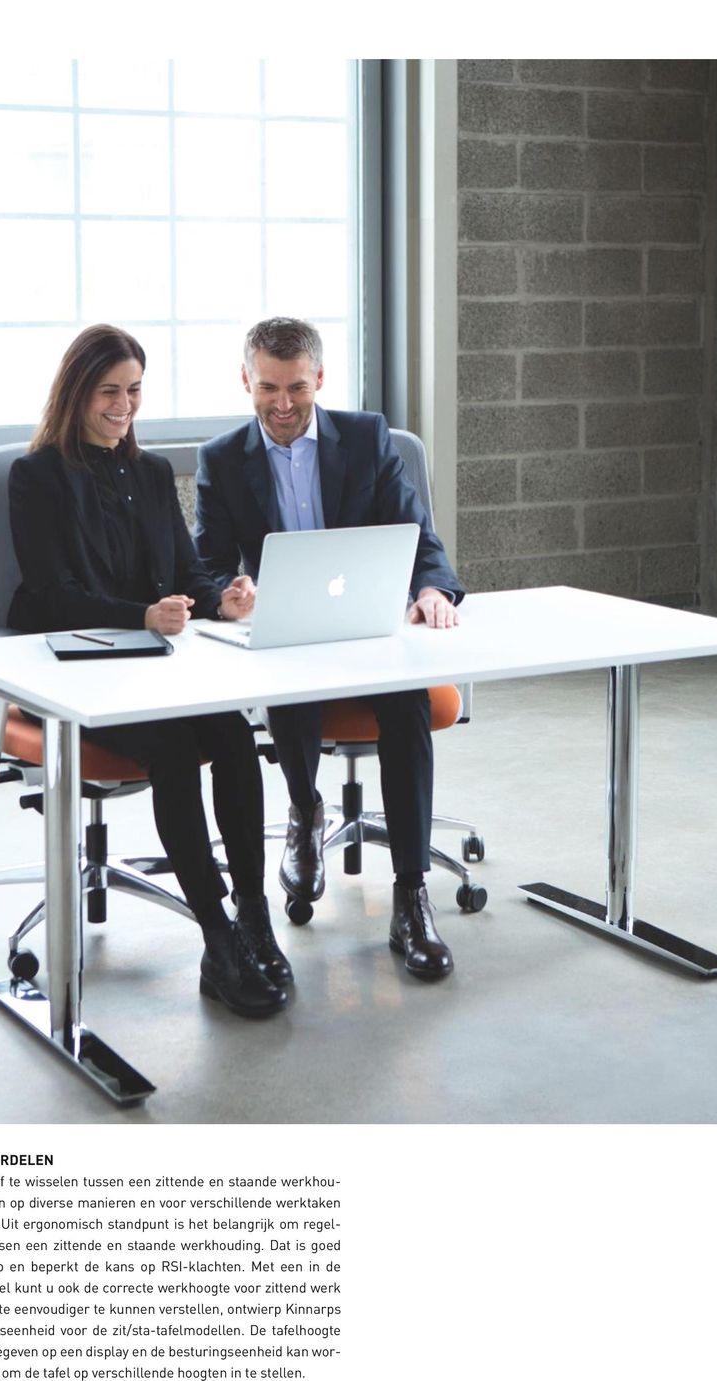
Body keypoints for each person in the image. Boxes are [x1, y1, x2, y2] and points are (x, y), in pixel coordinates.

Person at [6, 323, 290, 1018]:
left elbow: (185, 574)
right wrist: (142, 615)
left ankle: (252, 912)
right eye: (109, 390)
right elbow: (47, 593)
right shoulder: (36, 475)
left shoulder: (154, 472)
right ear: (76, 392)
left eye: (134, 390)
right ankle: (217, 936)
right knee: (168, 747)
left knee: (230, 735)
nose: (123, 405)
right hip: (77, 671)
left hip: (157, 668)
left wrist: (221, 596)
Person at [194, 316, 464, 980]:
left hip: (367, 631)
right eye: (267, 388)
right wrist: (226, 593)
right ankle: (304, 807)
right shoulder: (223, 459)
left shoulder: (367, 438)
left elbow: (417, 531)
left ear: (320, 378)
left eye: (296, 388)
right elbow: (202, 566)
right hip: (289, 641)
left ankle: (410, 895)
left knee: (406, 703)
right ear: (245, 382)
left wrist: (434, 589)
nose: (282, 405)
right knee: (293, 684)